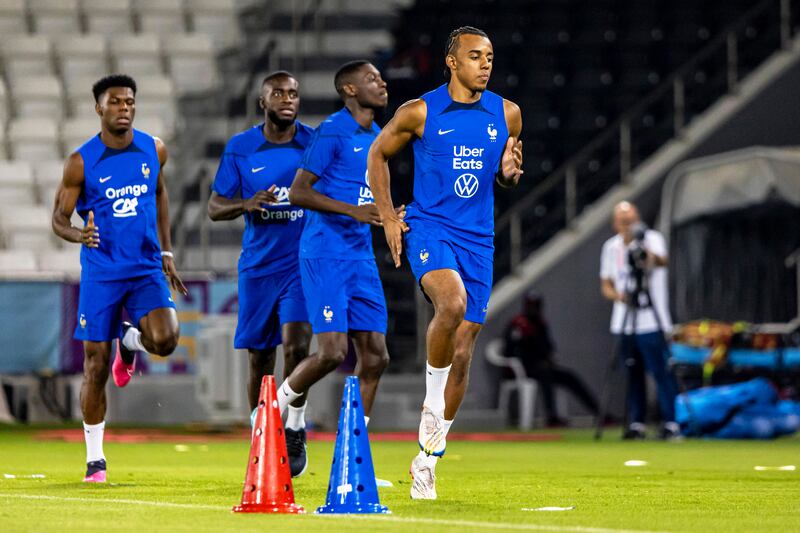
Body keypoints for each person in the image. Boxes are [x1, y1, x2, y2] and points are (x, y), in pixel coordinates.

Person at [368, 26, 523, 499]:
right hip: (430, 227)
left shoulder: (508, 114)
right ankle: (431, 403)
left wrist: (510, 176)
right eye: (476, 56)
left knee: (463, 349)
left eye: (490, 56)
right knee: (450, 304)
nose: (486, 63)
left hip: (479, 238)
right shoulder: (419, 111)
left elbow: (506, 175)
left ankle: (427, 459)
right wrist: (390, 218)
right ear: (452, 62)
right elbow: (378, 155)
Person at [51, 74, 186, 483]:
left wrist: (166, 251)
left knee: (166, 340)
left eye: (129, 101)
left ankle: (132, 342)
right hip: (103, 273)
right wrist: (79, 233)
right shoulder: (81, 161)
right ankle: (95, 459)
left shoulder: (153, 149)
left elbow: (160, 194)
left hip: (145, 267)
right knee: (94, 365)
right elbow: (59, 218)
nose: (124, 108)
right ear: (99, 108)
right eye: (115, 102)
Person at [275, 60, 400, 469]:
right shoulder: (332, 131)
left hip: (359, 256)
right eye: (371, 79)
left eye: (381, 78)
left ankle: (352, 456)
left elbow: (371, 198)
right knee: (332, 352)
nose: (381, 83)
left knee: (376, 355)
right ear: (349, 89)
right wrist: (353, 211)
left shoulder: (381, 137)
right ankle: (277, 410)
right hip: (325, 252)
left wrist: (390, 214)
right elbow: (298, 192)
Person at [207, 71, 314, 477]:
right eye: (278, 93)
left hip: (301, 264)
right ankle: (261, 435)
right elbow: (215, 207)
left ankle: (295, 426)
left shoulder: (314, 143)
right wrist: (245, 204)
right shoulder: (242, 148)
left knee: (299, 343)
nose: (288, 99)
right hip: (257, 267)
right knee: (260, 357)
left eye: (293, 93)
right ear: (262, 102)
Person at [600, 201, 679, 440]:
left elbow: (662, 261)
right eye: (623, 222)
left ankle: (671, 422)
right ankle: (637, 423)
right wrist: (620, 297)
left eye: (632, 221)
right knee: (632, 372)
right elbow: (606, 284)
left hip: (652, 321)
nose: (628, 226)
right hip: (624, 319)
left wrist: (641, 247)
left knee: (661, 372)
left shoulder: (651, 239)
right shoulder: (610, 247)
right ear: (615, 224)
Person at [503, 291, 600, 427]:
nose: (533, 309)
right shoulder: (518, 324)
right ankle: (552, 417)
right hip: (524, 368)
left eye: (536, 305)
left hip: (543, 366)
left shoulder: (541, 324)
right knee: (545, 375)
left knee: (569, 376)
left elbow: (548, 347)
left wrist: (549, 358)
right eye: (531, 305)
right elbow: (509, 350)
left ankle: (599, 413)